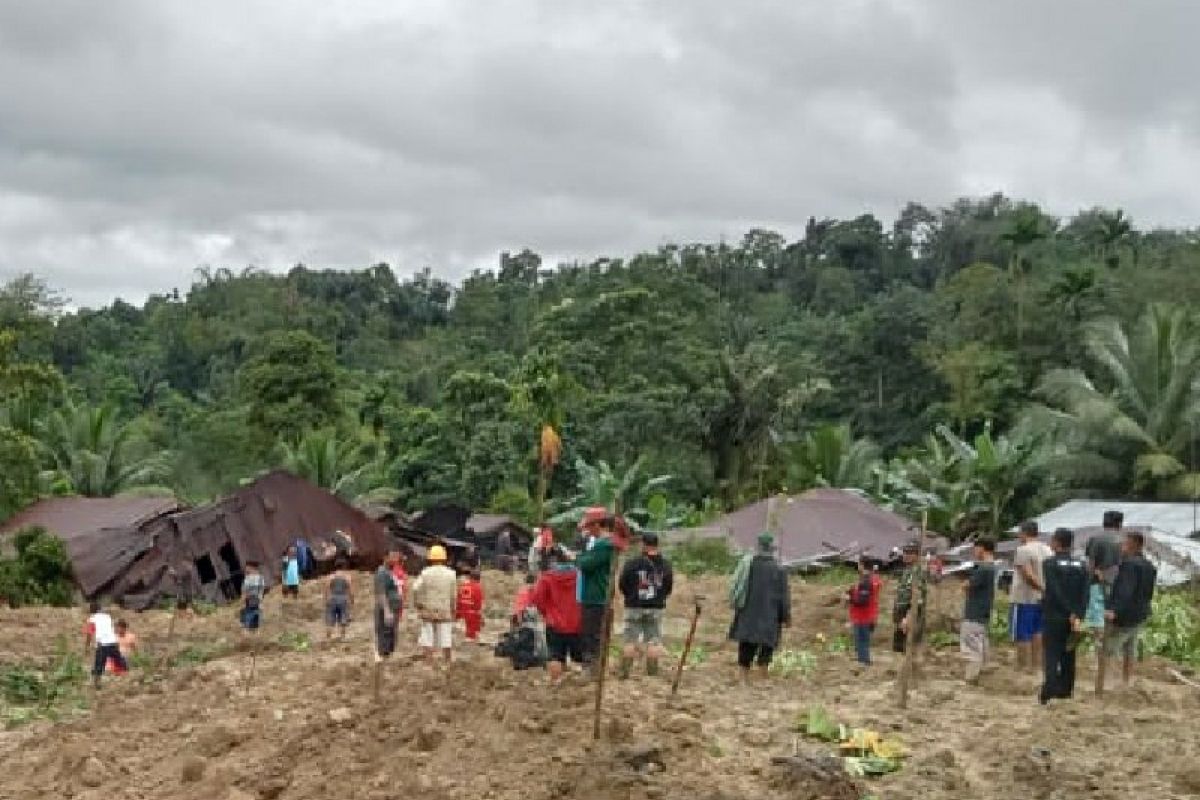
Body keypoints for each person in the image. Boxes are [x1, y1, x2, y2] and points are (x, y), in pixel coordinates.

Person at [729, 532, 791, 678]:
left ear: (758, 547)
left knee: (747, 643)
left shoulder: (747, 566)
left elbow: (738, 586)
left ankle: (743, 674)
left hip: (748, 611)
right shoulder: (779, 570)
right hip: (770, 614)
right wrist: (786, 616)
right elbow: (784, 596)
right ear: (772, 549)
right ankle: (763, 673)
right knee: (767, 644)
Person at [1040, 528, 1090, 705]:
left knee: (1052, 653)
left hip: (1055, 615)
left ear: (1057, 542)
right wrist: (1078, 614)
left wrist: (1068, 610)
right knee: (1069, 653)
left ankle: (1050, 690)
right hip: (1074, 618)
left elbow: (1055, 590)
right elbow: (1085, 592)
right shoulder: (1082, 565)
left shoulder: (1049, 564)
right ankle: (1066, 690)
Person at [1102, 531, 1157, 693]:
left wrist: (1113, 610)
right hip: (1140, 613)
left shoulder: (1129, 565)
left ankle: (1106, 683)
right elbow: (1149, 592)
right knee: (1130, 648)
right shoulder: (1149, 566)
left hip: (1125, 615)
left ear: (1134, 545)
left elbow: (1125, 591)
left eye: (1125, 543)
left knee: (1108, 648)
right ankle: (1126, 681)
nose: (1122, 547)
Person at [617, 532, 674, 679]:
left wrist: (630, 596)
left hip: (634, 605)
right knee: (653, 640)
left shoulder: (632, 564)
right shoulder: (665, 565)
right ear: (657, 545)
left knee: (630, 640)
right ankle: (652, 672)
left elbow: (622, 584)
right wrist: (659, 598)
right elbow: (668, 587)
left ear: (643, 544)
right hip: (656, 606)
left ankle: (624, 672)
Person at [530, 549, 584, 684]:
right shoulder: (580, 576)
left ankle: (555, 685)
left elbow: (537, 598)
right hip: (576, 622)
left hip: (554, 623)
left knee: (555, 656)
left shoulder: (547, 577)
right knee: (579, 657)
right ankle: (577, 686)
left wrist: (546, 613)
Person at [573, 513, 617, 669]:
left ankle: (592, 667)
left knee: (591, 635)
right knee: (595, 634)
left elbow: (585, 564)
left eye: (588, 527)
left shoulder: (603, 545)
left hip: (595, 596)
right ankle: (595, 666)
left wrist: (577, 558)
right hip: (597, 595)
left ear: (597, 525)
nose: (587, 531)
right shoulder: (604, 544)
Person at [1011, 520, 1053, 671]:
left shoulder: (1023, 550)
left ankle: (1023, 666)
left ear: (1023, 533)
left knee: (1023, 634)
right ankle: (1036, 666)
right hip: (1042, 600)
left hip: (1024, 598)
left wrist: (1041, 588)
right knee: (1038, 632)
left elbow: (1027, 575)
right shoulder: (1048, 550)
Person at [412, 545, 458, 662]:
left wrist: (418, 603)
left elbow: (415, 588)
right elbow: (453, 594)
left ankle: (428, 659)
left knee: (427, 633)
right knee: (445, 633)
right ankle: (447, 659)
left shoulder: (425, 573)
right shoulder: (451, 574)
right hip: (444, 608)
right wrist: (453, 608)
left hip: (429, 607)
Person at [961, 540, 997, 684]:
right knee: (981, 640)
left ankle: (972, 676)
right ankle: (983, 670)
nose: (974, 551)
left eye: (976, 548)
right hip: (983, 610)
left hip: (975, 611)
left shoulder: (983, 569)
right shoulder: (990, 567)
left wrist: (965, 584)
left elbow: (967, 585)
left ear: (982, 548)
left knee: (972, 643)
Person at [846, 557, 882, 667]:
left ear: (862, 565)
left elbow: (862, 601)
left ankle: (863, 662)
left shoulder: (866, 581)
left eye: (858, 564)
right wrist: (852, 591)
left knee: (861, 641)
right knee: (864, 641)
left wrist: (850, 598)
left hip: (862, 616)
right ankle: (863, 661)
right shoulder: (873, 579)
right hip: (869, 615)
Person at [892, 542, 927, 653]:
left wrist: (908, 617)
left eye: (909, 553)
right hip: (901, 613)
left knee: (908, 647)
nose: (905, 555)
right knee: (898, 647)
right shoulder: (907, 571)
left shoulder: (918, 573)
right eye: (905, 552)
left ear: (916, 556)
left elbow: (918, 598)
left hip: (910, 612)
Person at [85, 601, 124, 689]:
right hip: (113, 643)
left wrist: (87, 647)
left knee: (99, 665)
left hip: (103, 644)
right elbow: (112, 629)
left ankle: (97, 683)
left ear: (92, 610)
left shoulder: (92, 618)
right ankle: (123, 679)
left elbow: (89, 633)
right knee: (119, 664)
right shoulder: (108, 617)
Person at [373, 550, 403, 661]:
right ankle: (382, 656)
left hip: (393, 607)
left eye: (396, 557)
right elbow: (381, 593)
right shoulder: (382, 572)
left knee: (391, 633)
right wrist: (386, 611)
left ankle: (388, 655)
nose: (395, 560)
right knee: (384, 632)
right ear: (385, 558)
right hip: (387, 608)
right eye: (393, 557)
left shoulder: (390, 572)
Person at [324, 558, 353, 640]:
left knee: (330, 618)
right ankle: (342, 637)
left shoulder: (330, 577)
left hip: (332, 598)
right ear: (344, 567)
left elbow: (327, 589)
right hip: (343, 598)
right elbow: (350, 590)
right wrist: (352, 600)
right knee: (343, 618)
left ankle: (328, 637)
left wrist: (326, 599)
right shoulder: (347, 577)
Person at [456, 569, 485, 641]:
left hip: (462, 614)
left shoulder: (463, 586)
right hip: (472, 615)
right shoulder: (477, 588)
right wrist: (481, 617)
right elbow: (479, 604)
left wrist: (458, 614)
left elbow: (458, 600)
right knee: (472, 636)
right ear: (478, 579)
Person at [240, 561, 266, 632]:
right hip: (249, 599)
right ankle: (248, 628)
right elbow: (244, 589)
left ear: (253, 568)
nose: (246, 570)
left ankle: (256, 629)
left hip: (255, 598)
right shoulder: (247, 578)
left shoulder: (259, 578)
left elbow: (261, 588)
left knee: (256, 612)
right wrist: (244, 596)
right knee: (247, 613)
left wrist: (260, 596)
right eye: (246, 568)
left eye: (248, 568)